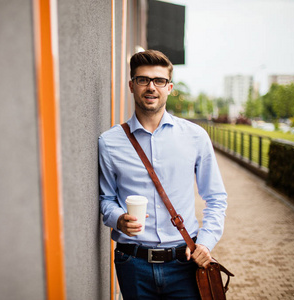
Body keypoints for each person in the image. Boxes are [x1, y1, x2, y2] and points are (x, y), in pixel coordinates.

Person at [98, 50, 228, 299]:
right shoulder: (109, 142)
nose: (151, 87)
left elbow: (216, 197)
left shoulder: (195, 136)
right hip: (132, 263)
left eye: (159, 81)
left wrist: (206, 241)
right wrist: (118, 218)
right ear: (131, 85)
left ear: (169, 88)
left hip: (185, 262)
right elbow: (106, 198)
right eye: (142, 80)